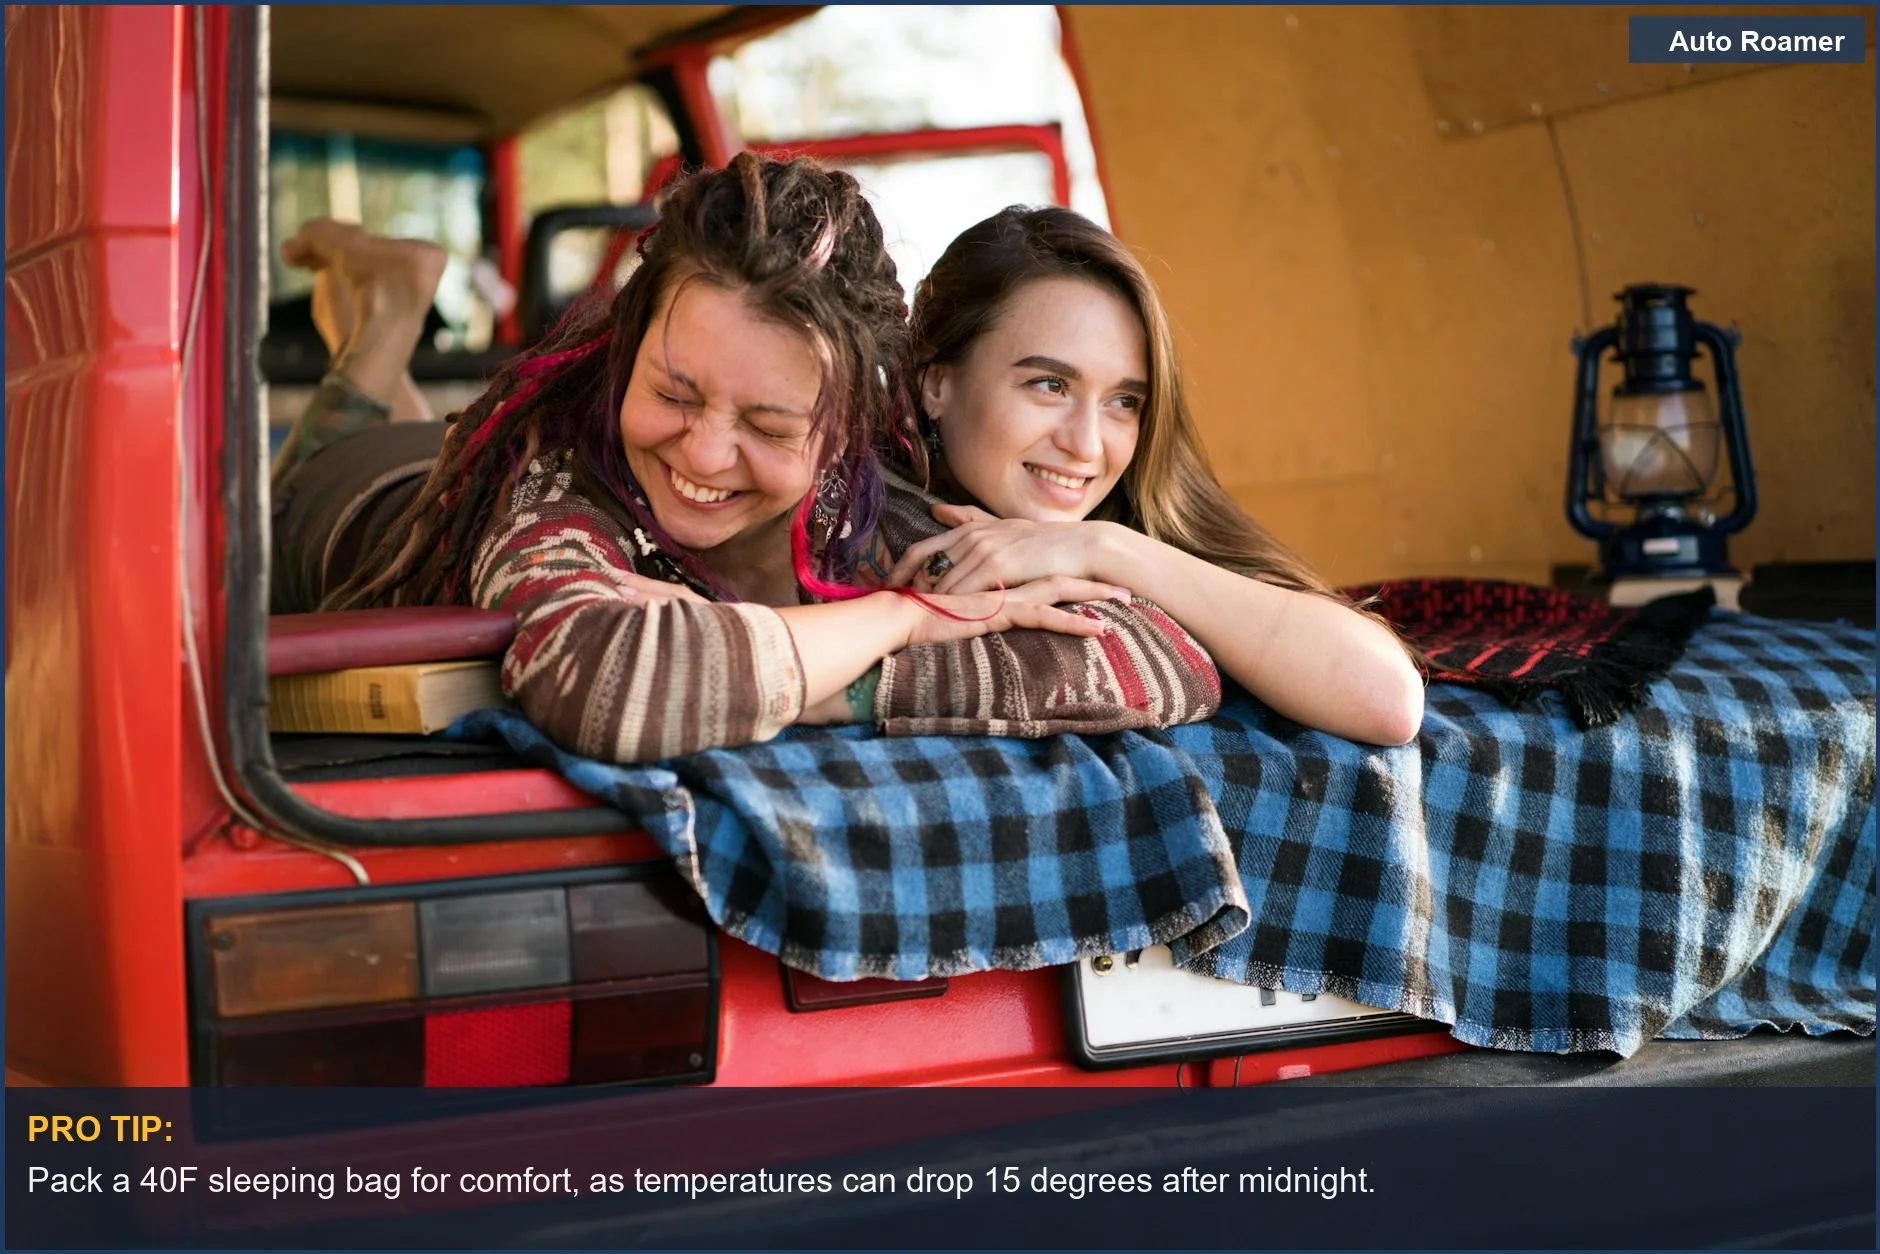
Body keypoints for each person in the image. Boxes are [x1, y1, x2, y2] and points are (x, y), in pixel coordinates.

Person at [269, 154, 1222, 764]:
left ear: (849, 425)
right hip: (358, 511)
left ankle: (387, 314)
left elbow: (1165, 662)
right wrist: (902, 616)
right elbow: (613, 685)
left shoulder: (878, 507)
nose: (707, 452)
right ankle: (384, 317)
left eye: (770, 428)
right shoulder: (556, 477)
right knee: (342, 445)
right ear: (627, 351)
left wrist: (804, 663)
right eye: (674, 394)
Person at [879, 206, 1424, 747]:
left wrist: (1103, 546)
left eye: (1123, 400)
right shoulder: (865, 519)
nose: (1087, 444)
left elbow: (1387, 700)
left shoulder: (1135, 520)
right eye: (1050, 385)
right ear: (937, 385)